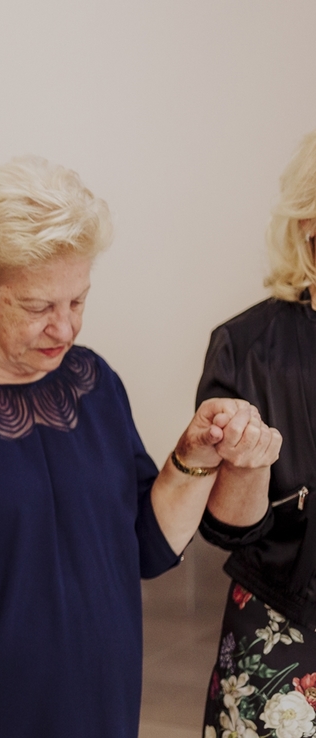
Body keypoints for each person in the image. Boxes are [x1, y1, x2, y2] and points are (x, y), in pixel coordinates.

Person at [0, 155, 282, 737]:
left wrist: (194, 456)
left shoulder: (91, 382)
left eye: (78, 301)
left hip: (98, 705)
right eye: (38, 307)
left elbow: (146, 546)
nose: (65, 328)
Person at [198, 131, 316, 736]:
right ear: (308, 222)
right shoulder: (245, 347)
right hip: (285, 619)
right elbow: (227, 528)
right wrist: (248, 464)